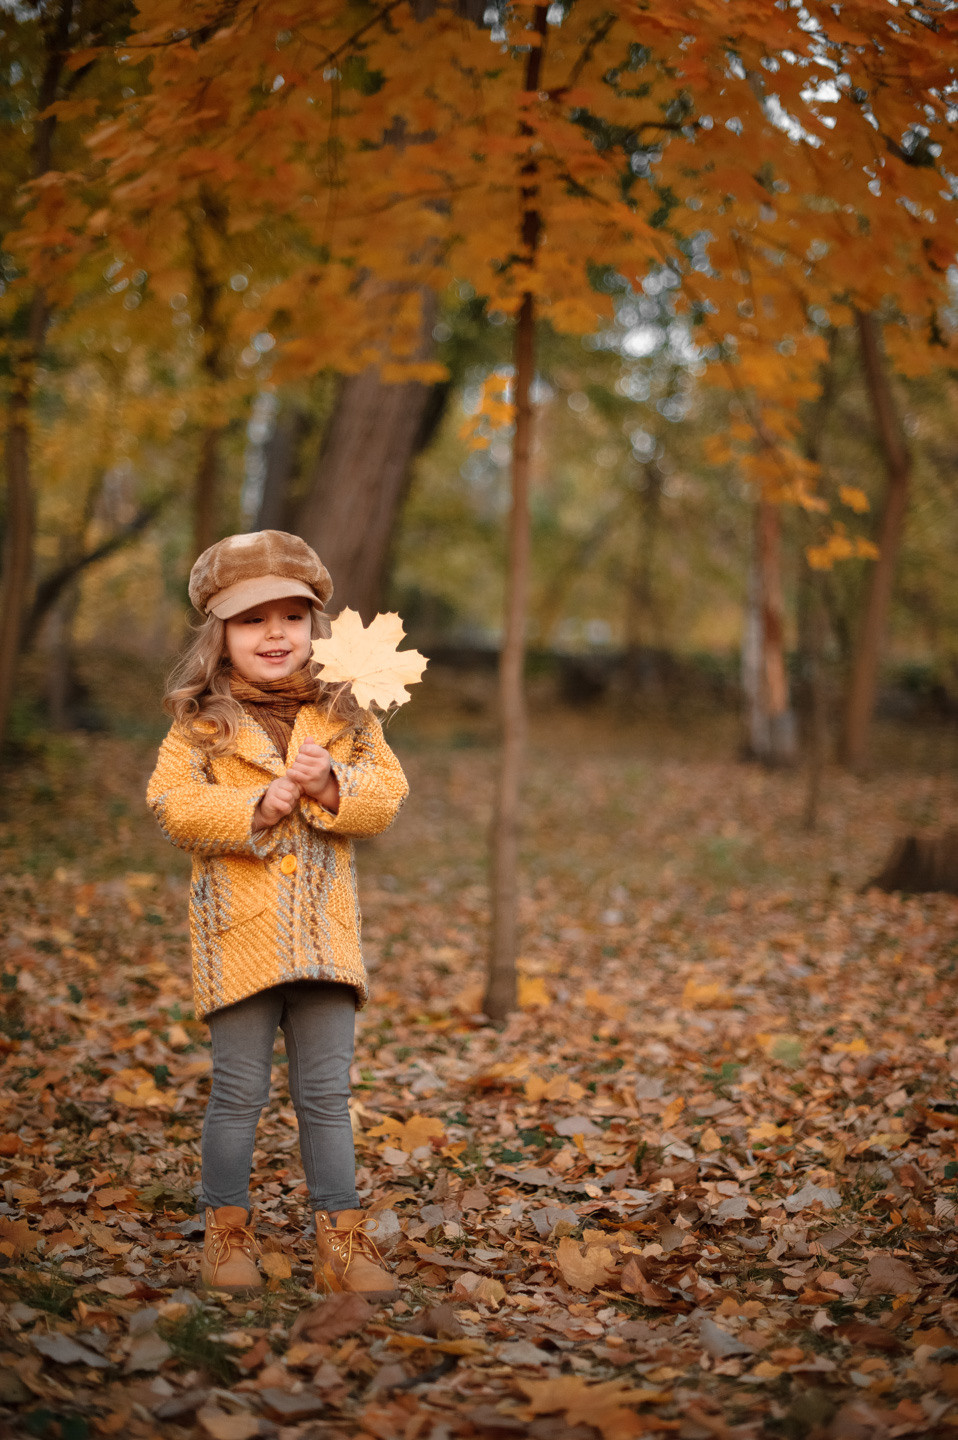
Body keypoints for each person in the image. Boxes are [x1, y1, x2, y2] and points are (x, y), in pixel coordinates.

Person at [147, 530, 408, 1296]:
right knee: (238, 1094)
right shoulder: (201, 724)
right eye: (251, 619)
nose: (274, 634)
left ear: (314, 629)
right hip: (240, 941)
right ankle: (226, 1234)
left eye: (291, 617)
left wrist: (334, 787)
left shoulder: (348, 717)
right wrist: (258, 802)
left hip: (326, 942)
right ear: (219, 634)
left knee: (326, 1097)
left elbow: (386, 797)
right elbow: (173, 806)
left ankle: (343, 1238)